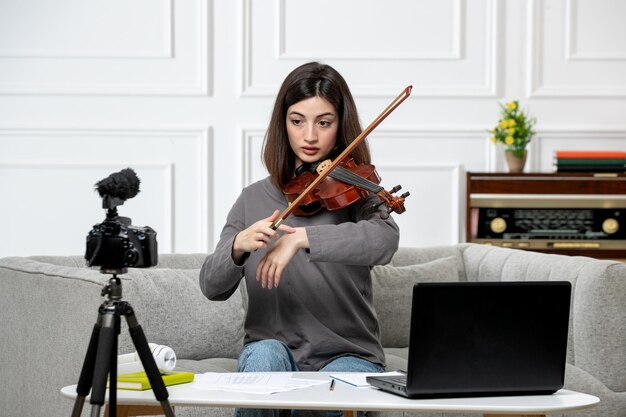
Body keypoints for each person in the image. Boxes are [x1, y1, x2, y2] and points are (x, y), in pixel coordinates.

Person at [199, 61, 400, 417]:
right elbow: (211, 285)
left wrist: (301, 237)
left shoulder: (355, 192)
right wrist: (237, 246)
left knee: (337, 388)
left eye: (323, 122)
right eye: (297, 121)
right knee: (264, 357)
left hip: (348, 354)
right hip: (273, 349)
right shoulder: (252, 199)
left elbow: (383, 240)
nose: (309, 136)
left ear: (340, 127)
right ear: (283, 125)